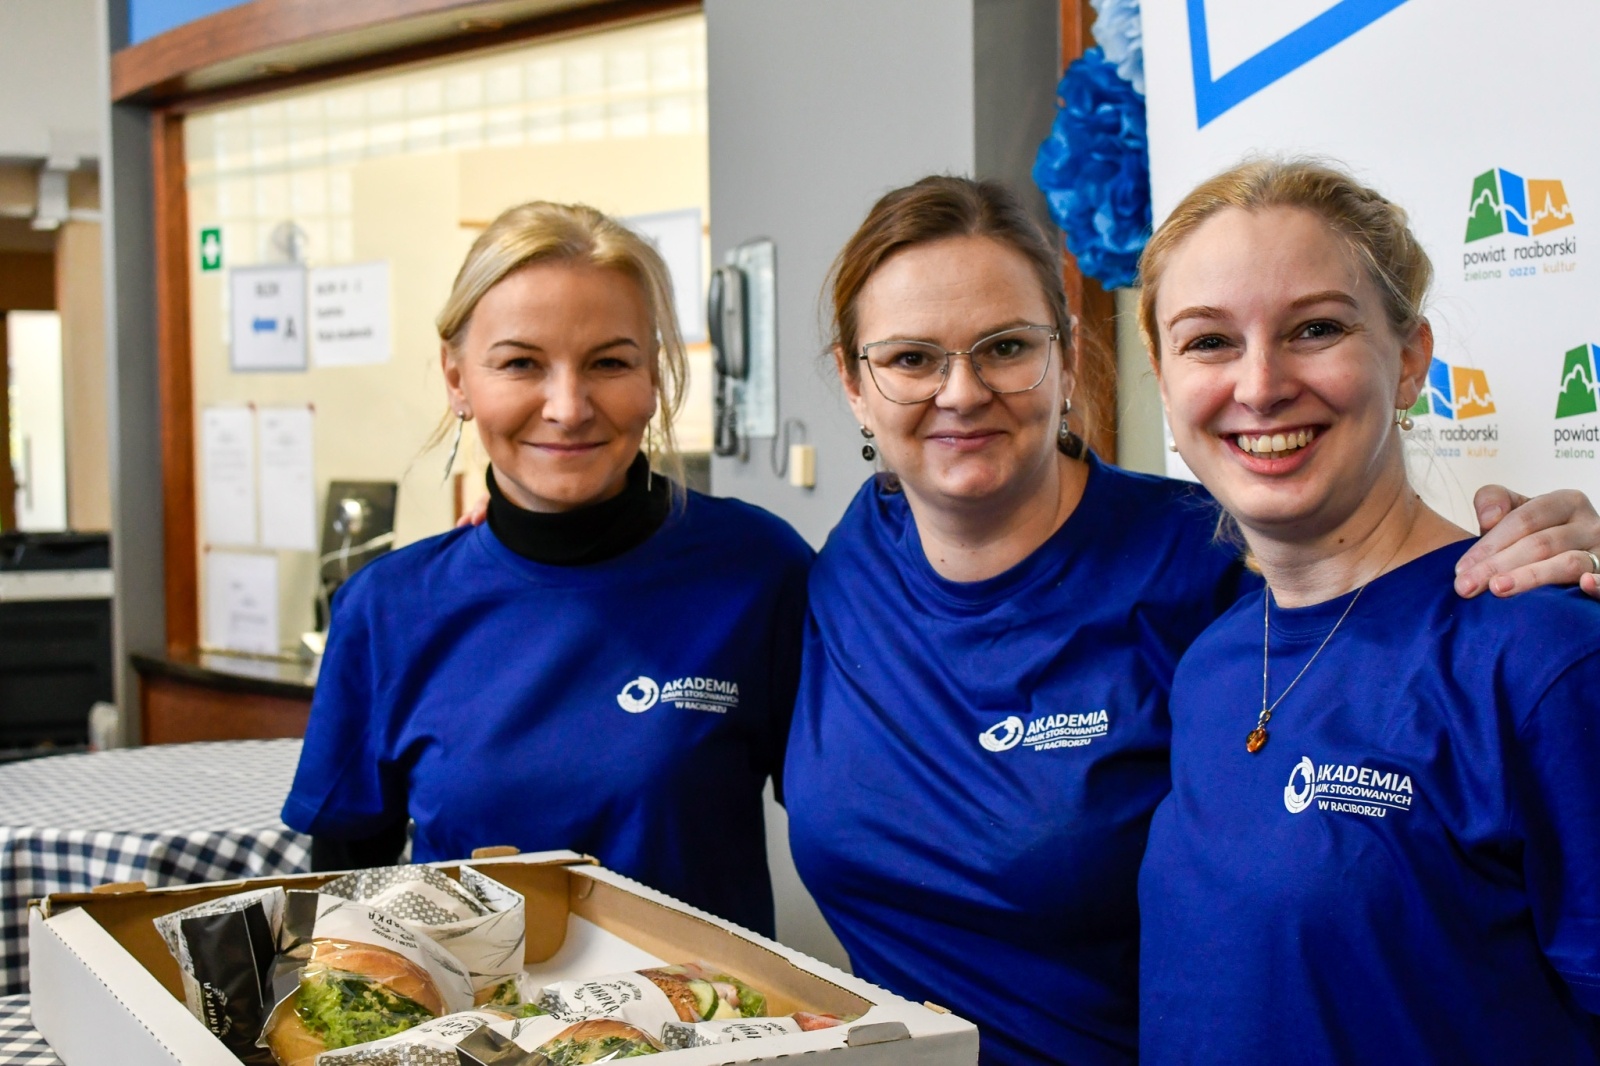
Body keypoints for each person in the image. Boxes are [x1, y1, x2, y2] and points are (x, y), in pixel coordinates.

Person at [781, 175, 1600, 1066]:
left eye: (1315, 329)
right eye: (910, 359)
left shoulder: (1514, 647)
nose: (962, 392)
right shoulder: (1216, 659)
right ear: (854, 383)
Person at [1136, 160, 1600, 1063]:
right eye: (1209, 342)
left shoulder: (1540, 658)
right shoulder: (1214, 663)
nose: (1260, 385)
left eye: (1316, 328)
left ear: (1411, 359)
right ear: (1162, 376)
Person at [282, 201, 812, 937]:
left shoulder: (758, 572)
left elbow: (862, 825)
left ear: (654, 375)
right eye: (521, 364)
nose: (568, 408)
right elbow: (341, 900)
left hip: (708, 1008)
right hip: (475, 1011)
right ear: (457, 379)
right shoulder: (388, 609)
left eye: (609, 362)